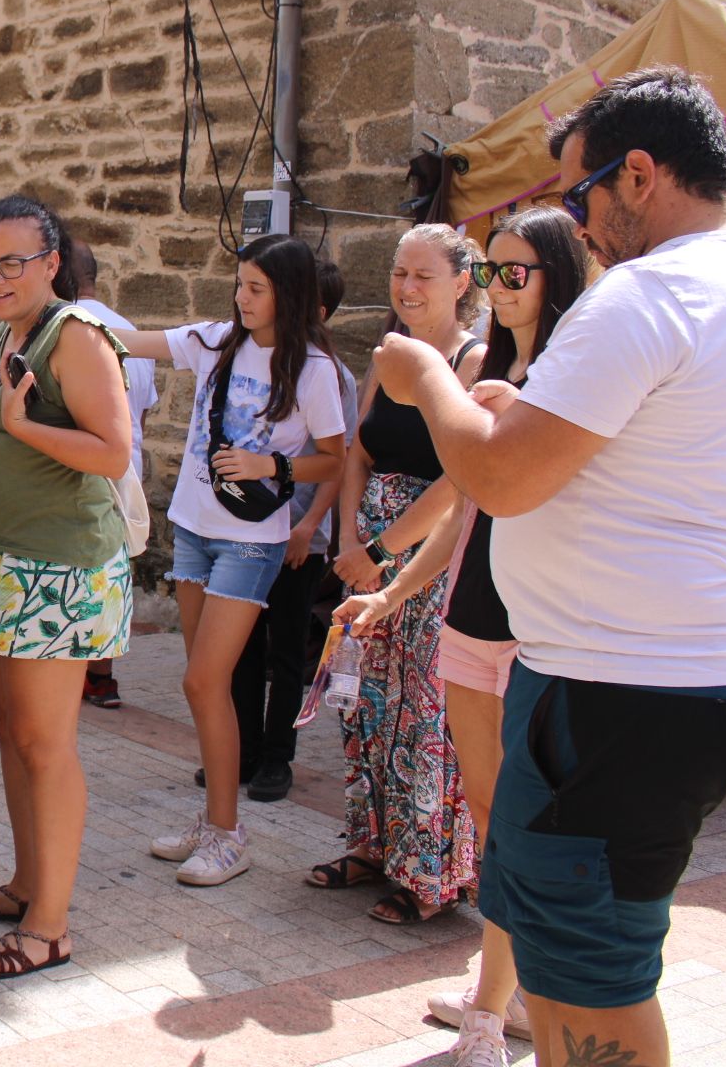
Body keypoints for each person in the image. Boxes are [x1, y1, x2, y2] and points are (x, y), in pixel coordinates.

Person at [370, 67, 726, 1067]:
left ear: (637, 174)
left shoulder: (650, 292)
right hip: (663, 677)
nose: (578, 221)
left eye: (577, 192)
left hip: (621, 688)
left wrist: (429, 378)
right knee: (567, 963)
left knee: (592, 976)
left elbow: (503, 481)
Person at [336, 209, 589, 1064]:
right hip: (473, 612)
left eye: (517, 273)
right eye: (494, 270)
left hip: (543, 624)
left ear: (558, 278)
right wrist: (394, 590)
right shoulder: (498, 365)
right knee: (491, 818)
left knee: (533, 820)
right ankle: (504, 995)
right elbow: (463, 508)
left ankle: (498, 1010)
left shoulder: (565, 372)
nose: (500, 287)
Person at [111, 234, 347, 887]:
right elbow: (137, 341)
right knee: (203, 681)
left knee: (201, 682)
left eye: (257, 288)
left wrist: (271, 463)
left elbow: (336, 456)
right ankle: (214, 819)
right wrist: (71, 320)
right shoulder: (218, 340)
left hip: (251, 538)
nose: (242, 298)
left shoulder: (315, 370)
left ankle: (227, 833)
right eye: (239, 284)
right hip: (191, 528)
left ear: (288, 295)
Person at [0, 196, 133, 978]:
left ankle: (50, 927)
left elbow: (113, 452)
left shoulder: (76, 337)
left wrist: (22, 430)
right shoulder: (8, 334)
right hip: (7, 561)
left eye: (11, 262)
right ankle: (28, 884)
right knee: (17, 739)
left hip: (64, 570)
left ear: (51, 263)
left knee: (48, 747)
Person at [313, 225, 485, 926]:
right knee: (366, 702)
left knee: (424, 711)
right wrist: (349, 536)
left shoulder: (471, 363)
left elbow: (456, 481)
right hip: (368, 551)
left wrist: (382, 553)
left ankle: (430, 872)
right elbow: (357, 453)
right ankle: (371, 844)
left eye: (423, 276)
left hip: (426, 559)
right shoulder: (389, 357)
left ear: (461, 282)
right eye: (398, 274)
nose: (407, 288)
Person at [227, 257, 357, 802]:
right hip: (253, 530)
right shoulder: (259, 359)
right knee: (242, 647)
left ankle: (278, 758)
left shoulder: (330, 374)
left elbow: (340, 459)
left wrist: (308, 526)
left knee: (285, 652)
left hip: (301, 535)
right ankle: (244, 751)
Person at [64, 240, 158, 709]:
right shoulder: (130, 330)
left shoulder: (67, 330)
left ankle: (70, 671)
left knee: (80, 574)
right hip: (130, 470)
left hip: (89, 470)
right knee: (113, 574)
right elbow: (144, 414)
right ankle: (102, 676)